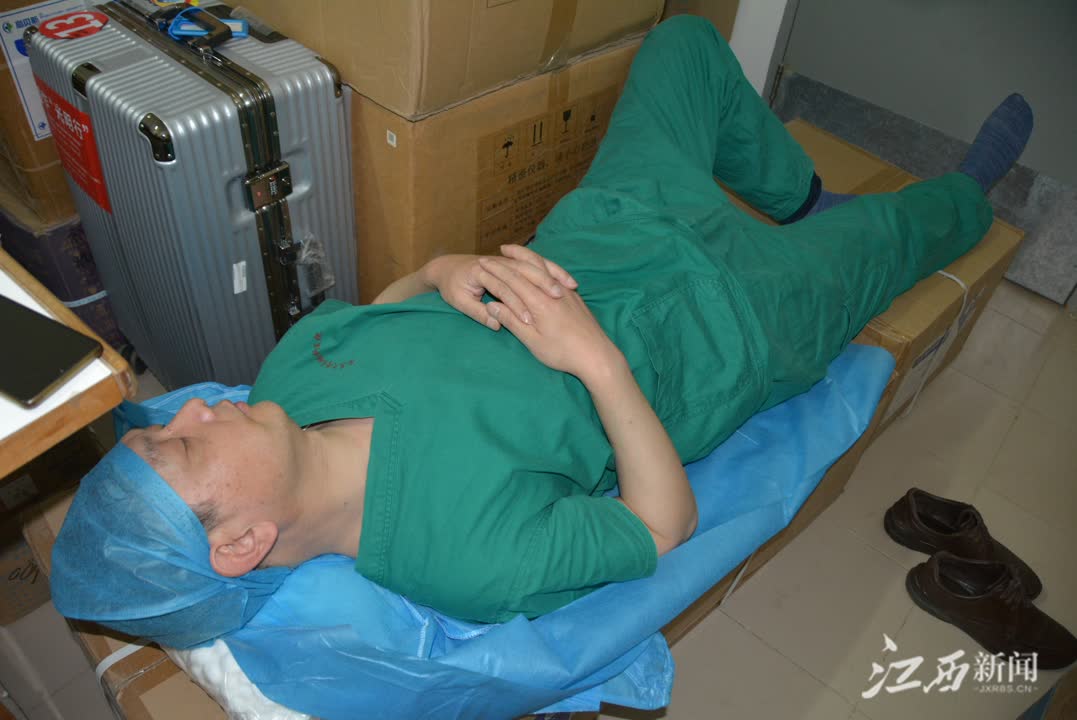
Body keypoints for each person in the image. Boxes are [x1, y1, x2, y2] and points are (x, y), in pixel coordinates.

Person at [51, 16, 1033, 646]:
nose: (200, 407)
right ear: (242, 544)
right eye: (184, 446)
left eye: (169, 423)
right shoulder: (462, 558)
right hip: (731, 326)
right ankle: (961, 195)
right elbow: (660, 525)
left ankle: (803, 196)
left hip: (608, 227)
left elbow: (385, 307)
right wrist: (595, 363)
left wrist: (440, 269)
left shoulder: (282, 383)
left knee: (685, 44)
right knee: (901, 234)